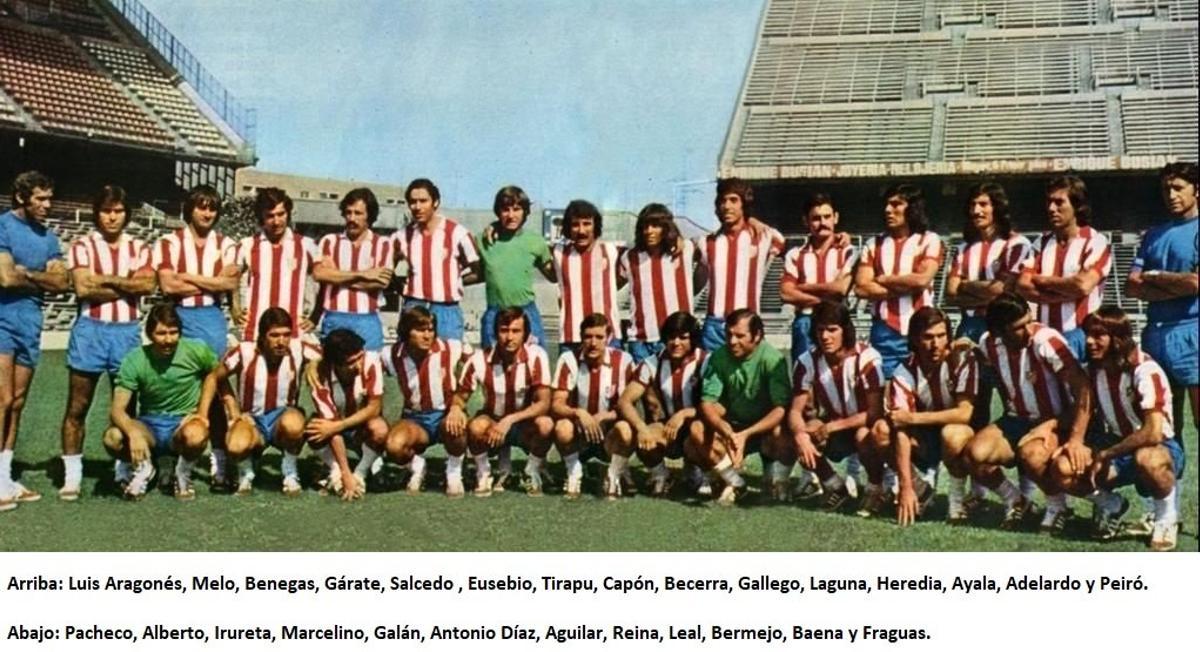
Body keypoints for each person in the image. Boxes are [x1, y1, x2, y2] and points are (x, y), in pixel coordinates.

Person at [1047, 306, 1184, 550]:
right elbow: (1082, 407)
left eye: (1099, 335)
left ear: (1118, 339)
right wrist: (1068, 439)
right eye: (1088, 334)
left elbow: (1153, 432)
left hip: (1159, 447)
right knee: (1063, 467)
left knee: (1148, 458)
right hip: (1116, 444)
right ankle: (1111, 505)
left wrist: (1106, 454)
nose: (1090, 342)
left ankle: (1165, 518)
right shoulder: (1095, 370)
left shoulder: (1145, 370)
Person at [962, 292, 1093, 533]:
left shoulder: (1046, 340)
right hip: (1017, 419)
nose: (1028, 330)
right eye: (1018, 327)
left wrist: (1073, 437)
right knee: (973, 454)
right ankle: (1017, 500)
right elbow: (1002, 382)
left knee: (1031, 454)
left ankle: (1058, 506)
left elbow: (1084, 389)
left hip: (1055, 420)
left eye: (1029, 321)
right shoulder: (988, 343)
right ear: (999, 331)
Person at [58, 185, 156, 501]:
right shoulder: (82, 246)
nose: (112, 217)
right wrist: (127, 285)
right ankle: (72, 475)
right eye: (106, 211)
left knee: (126, 406)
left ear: (126, 214)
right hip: (90, 330)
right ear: (96, 213)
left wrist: (108, 280)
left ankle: (123, 469)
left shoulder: (140, 248)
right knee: (78, 406)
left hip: (126, 330)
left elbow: (146, 284)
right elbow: (84, 289)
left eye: (118, 211)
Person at [154, 184, 240, 488]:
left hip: (211, 319)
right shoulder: (169, 242)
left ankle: (218, 461)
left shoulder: (227, 243)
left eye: (212, 208)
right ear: (190, 208)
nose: (207, 213)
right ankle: (168, 460)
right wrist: (211, 282)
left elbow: (228, 284)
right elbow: (169, 287)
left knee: (214, 387)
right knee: (174, 384)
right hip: (178, 317)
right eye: (201, 206)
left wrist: (188, 276)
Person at [0, 170, 69, 508]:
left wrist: (28, 273)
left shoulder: (49, 238)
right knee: (2, 398)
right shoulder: (3, 226)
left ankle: (5, 476)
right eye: (40, 198)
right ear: (21, 198)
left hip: (31, 322)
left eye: (50, 198)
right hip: (2, 320)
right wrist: (38, 278)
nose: (47, 205)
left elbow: (62, 284)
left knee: (17, 402)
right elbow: (5, 279)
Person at [198, 307, 319, 496]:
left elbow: (324, 355)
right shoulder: (245, 351)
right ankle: (247, 468)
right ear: (262, 336)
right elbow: (214, 377)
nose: (281, 341)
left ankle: (289, 470)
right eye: (274, 335)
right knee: (236, 446)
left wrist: (314, 363)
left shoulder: (298, 348)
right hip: (252, 420)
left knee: (295, 423)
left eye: (286, 335)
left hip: (282, 419)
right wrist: (227, 410)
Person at [874, 307, 978, 525]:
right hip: (921, 438)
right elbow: (900, 427)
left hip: (956, 432)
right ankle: (920, 489)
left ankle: (956, 501)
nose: (935, 344)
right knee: (881, 431)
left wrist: (912, 419)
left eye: (941, 336)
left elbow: (964, 413)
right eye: (928, 337)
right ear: (915, 339)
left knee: (953, 434)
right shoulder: (904, 372)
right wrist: (906, 486)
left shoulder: (961, 361)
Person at [103, 303, 214, 500]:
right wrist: (134, 433)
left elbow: (215, 375)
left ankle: (182, 472)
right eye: (161, 333)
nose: (168, 340)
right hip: (150, 425)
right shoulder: (135, 359)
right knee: (113, 437)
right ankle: (145, 468)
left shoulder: (196, 350)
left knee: (197, 434)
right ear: (149, 334)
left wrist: (202, 413)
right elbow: (117, 410)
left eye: (173, 332)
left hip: (181, 424)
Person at [944, 182, 1031, 431]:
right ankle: (976, 465)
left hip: (1003, 329)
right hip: (969, 327)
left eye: (983, 204)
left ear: (997, 208)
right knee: (973, 401)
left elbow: (1000, 291)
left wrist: (965, 285)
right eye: (972, 205)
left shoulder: (1017, 244)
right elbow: (950, 293)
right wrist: (983, 290)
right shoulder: (963, 248)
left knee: (1013, 400)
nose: (976, 211)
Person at [789, 302, 887, 514]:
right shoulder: (807, 361)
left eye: (832, 330)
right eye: (820, 330)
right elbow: (795, 411)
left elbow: (875, 412)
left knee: (864, 435)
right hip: (837, 427)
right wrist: (801, 435)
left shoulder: (867, 358)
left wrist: (831, 427)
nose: (825, 336)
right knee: (800, 433)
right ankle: (835, 486)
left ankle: (875, 488)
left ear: (846, 330)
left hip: (865, 426)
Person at [1127, 162, 1198, 450]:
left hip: (1192, 331)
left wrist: (1154, 278)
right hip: (1155, 334)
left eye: (1179, 188)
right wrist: (1177, 285)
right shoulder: (1154, 235)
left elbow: (1195, 284)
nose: (1171, 195)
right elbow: (1132, 286)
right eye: (1166, 189)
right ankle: (1170, 495)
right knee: (1164, 423)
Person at [691, 309, 792, 505]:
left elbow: (781, 408)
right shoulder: (719, 357)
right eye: (729, 334)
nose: (732, 341)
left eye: (740, 336)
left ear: (757, 336)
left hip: (763, 428)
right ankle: (734, 481)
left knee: (783, 431)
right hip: (733, 424)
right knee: (695, 433)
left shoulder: (772, 359)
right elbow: (708, 402)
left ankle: (778, 479)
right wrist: (727, 431)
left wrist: (746, 434)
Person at [452, 307, 554, 497]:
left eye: (516, 331)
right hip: (493, 423)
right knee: (475, 427)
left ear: (525, 334)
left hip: (523, 424)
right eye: (504, 330)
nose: (509, 337)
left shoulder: (536, 356)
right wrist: (456, 409)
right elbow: (460, 396)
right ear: (496, 332)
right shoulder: (479, 359)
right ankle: (483, 472)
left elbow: (544, 403)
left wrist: (510, 420)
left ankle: (531, 471)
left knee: (546, 424)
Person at [1016, 174, 1111, 361]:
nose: (1052, 208)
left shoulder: (1096, 241)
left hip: (1080, 334)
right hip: (1045, 334)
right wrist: (1067, 293)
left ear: (1077, 206)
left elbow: (1083, 285)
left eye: (1059, 202)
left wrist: (1042, 280)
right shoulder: (1040, 243)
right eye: (1049, 202)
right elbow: (1022, 285)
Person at [853, 184, 943, 379]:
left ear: (912, 208)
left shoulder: (929, 240)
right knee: (885, 391)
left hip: (922, 330)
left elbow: (922, 280)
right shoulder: (874, 244)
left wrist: (884, 279)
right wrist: (906, 287)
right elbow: (861, 288)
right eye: (886, 205)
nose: (888, 210)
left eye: (896, 204)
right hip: (885, 331)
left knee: (924, 389)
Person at [616, 311, 709, 497]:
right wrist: (641, 427)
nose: (676, 343)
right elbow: (625, 401)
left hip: (698, 423)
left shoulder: (706, 361)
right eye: (671, 337)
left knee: (699, 431)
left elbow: (716, 405)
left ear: (693, 338)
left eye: (683, 337)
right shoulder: (652, 363)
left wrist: (684, 414)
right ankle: (661, 474)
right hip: (667, 428)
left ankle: (701, 470)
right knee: (645, 438)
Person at [382, 306, 469, 494]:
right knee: (394, 446)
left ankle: (453, 472)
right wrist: (316, 363)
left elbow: (477, 363)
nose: (427, 335)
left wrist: (457, 405)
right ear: (406, 331)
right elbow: (364, 364)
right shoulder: (391, 354)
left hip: (445, 414)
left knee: (458, 426)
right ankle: (417, 465)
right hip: (415, 419)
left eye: (430, 330)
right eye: (420, 330)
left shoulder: (450, 348)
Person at [551, 313, 637, 499]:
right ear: (581, 337)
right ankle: (574, 472)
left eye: (599, 337)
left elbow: (628, 406)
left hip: (608, 434)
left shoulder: (624, 361)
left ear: (609, 338)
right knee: (562, 427)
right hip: (579, 434)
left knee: (626, 429)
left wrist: (604, 416)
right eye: (588, 337)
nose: (593, 343)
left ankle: (613, 474)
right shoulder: (569, 360)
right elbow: (556, 404)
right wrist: (579, 413)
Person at [696, 178, 785, 352]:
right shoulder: (707, 242)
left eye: (733, 200)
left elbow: (781, 241)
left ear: (744, 203)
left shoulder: (763, 236)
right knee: (712, 377)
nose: (727, 206)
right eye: (722, 201)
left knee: (749, 378)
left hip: (747, 325)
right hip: (715, 325)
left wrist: (752, 220)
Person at [393, 178, 481, 341]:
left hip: (446, 309)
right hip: (414, 306)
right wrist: (401, 287)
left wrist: (455, 282)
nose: (417, 207)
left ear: (436, 202)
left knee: (447, 361)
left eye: (423, 201)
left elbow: (479, 270)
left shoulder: (457, 233)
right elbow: (385, 269)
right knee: (410, 362)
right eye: (412, 202)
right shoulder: (401, 236)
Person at [306, 329, 387, 501]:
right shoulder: (320, 377)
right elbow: (329, 428)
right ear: (336, 364)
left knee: (380, 429)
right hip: (335, 430)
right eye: (351, 362)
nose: (359, 364)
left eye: (360, 357)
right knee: (313, 429)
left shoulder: (371, 361)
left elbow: (374, 408)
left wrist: (339, 426)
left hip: (361, 427)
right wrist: (344, 473)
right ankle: (334, 469)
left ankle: (361, 472)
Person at [313, 187, 395, 351]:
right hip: (335, 315)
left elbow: (381, 282)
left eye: (358, 213)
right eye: (348, 213)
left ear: (369, 216)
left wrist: (336, 276)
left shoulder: (383, 244)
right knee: (334, 372)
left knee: (368, 369)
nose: (352, 218)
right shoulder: (329, 241)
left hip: (367, 319)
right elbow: (319, 274)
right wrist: (364, 274)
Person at [234, 187, 320, 342]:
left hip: (292, 333)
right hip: (255, 333)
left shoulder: (306, 245)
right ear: (261, 217)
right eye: (270, 216)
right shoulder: (247, 245)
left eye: (281, 214)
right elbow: (232, 279)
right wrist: (235, 309)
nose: (276, 221)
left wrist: (315, 315)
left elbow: (325, 280)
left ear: (288, 213)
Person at [618, 203, 700, 363]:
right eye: (645, 226)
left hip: (676, 339)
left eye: (655, 225)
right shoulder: (629, 257)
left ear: (666, 227)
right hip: (641, 340)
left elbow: (709, 243)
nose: (649, 231)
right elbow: (613, 283)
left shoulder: (685, 249)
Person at [779, 193, 855, 364]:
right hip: (806, 322)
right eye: (816, 218)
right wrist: (826, 299)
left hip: (837, 323)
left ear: (835, 218)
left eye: (827, 217)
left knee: (839, 375)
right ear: (806, 221)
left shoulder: (848, 251)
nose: (822, 223)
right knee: (804, 375)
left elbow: (841, 288)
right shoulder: (795, 254)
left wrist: (803, 287)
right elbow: (786, 293)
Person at [478, 185, 554, 348]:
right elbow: (476, 273)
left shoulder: (536, 241)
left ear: (525, 212)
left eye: (517, 209)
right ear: (498, 212)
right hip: (495, 313)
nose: (511, 215)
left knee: (534, 363)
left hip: (526, 312)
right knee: (491, 366)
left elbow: (553, 275)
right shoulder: (483, 240)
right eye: (505, 209)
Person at [551, 199, 623, 354]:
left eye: (587, 223)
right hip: (571, 338)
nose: (581, 230)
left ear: (596, 225)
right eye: (575, 224)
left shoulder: (611, 250)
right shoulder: (558, 252)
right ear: (568, 228)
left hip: (607, 336)